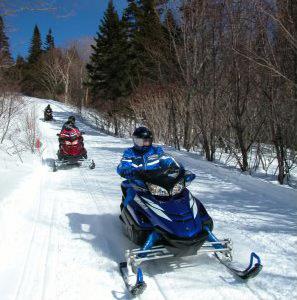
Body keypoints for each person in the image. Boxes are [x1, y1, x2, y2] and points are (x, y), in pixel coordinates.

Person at [117, 126, 178, 207]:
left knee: (174, 195)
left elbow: (167, 159)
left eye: (146, 141)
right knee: (131, 199)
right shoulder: (130, 153)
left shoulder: (157, 151)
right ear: (134, 141)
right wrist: (131, 172)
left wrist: (174, 166)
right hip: (137, 182)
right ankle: (126, 212)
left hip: (157, 181)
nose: (143, 144)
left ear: (150, 141)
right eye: (139, 141)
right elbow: (123, 166)